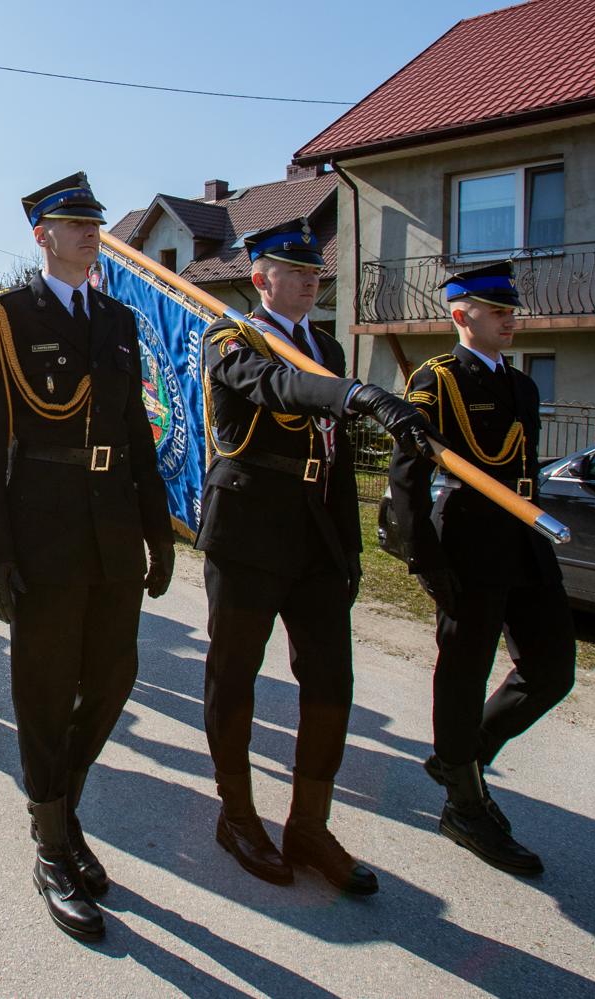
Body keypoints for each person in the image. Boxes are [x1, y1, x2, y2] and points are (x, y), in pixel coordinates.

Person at [196, 217, 434, 895]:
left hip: (317, 533)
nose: (310, 281)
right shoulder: (230, 337)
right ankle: (237, 814)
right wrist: (356, 393)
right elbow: (276, 387)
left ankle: (309, 823)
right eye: (296, 271)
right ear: (260, 277)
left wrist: (349, 549)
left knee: (331, 681)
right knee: (234, 674)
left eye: (314, 272)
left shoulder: (323, 345)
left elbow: (333, 456)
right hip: (247, 532)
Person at [0, 173, 174, 941]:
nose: (92, 233)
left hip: (112, 527)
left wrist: (157, 530)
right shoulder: (5, 316)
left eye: (95, 222)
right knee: (46, 692)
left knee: (114, 678)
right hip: (43, 531)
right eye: (75, 222)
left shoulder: (117, 318)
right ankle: (52, 846)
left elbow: (137, 432)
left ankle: (65, 809)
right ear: (41, 235)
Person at [387, 260, 575, 877]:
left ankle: (460, 758)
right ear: (461, 314)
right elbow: (407, 474)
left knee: (551, 670)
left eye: (511, 311)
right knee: (464, 674)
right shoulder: (437, 380)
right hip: (467, 544)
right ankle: (463, 806)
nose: (509, 320)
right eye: (497, 311)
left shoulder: (522, 386)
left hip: (523, 543)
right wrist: (422, 555)